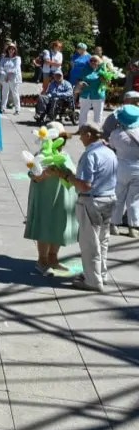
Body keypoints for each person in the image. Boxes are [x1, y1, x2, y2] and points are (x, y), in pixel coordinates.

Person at [59, 123, 117, 292]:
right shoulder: (109, 152)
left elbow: (85, 185)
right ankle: (101, 274)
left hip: (92, 202)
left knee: (89, 243)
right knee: (102, 240)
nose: (80, 138)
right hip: (109, 199)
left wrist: (67, 176)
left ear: (89, 135)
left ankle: (92, 280)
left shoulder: (90, 155)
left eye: (82, 135)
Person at [23, 124, 78, 274]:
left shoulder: (65, 155)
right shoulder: (41, 155)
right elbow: (34, 176)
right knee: (45, 226)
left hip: (62, 196)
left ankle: (53, 258)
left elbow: (73, 174)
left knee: (59, 226)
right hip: (45, 197)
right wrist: (47, 173)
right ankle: (42, 259)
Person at [108, 104, 139, 238]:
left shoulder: (116, 134)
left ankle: (113, 224)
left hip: (120, 166)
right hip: (137, 167)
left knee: (118, 196)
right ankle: (133, 227)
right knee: (134, 199)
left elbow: (112, 147)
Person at [75, 55, 106, 126]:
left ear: (99, 62)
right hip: (85, 94)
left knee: (98, 115)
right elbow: (80, 79)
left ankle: (96, 131)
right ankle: (81, 130)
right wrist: (81, 83)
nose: (92, 62)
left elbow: (107, 82)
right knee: (83, 113)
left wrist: (104, 80)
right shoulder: (85, 69)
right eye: (91, 60)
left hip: (98, 95)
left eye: (95, 60)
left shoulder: (103, 71)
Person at [0, 43, 22, 115]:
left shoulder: (17, 58)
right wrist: (5, 74)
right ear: (7, 50)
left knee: (15, 93)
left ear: (15, 50)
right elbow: (0, 68)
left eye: (13, 49)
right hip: (5, 78)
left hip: (14, 78)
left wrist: (8, 73)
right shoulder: (4, 58)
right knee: (4, 93)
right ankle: (2, 108)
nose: (11, 50)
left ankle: (17, 109)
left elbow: (16, 69)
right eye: (10, 49)